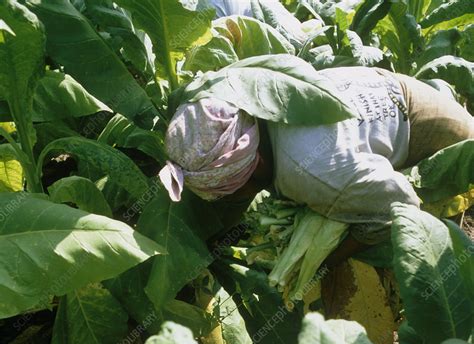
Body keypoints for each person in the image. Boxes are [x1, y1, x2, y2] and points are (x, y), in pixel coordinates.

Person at [159, 66, 474, 265]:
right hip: (394, 97)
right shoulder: (262, 102)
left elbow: (399, 206)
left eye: (226, 194)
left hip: (442, 140)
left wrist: (325, 262)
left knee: (389, 247)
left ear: (253, 168)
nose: (229, 201)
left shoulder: (312, 172)